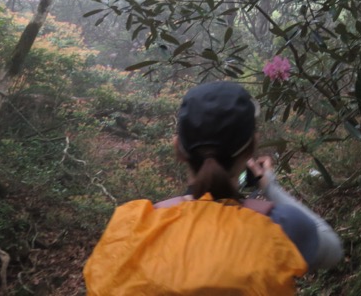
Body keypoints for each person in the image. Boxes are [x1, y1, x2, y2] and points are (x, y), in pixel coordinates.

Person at [83, 80, 343, 295]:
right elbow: (332, 248)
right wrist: (271, 186)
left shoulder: (132, 227)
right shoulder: (283, 225)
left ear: (178, 149)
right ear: (252, 146)